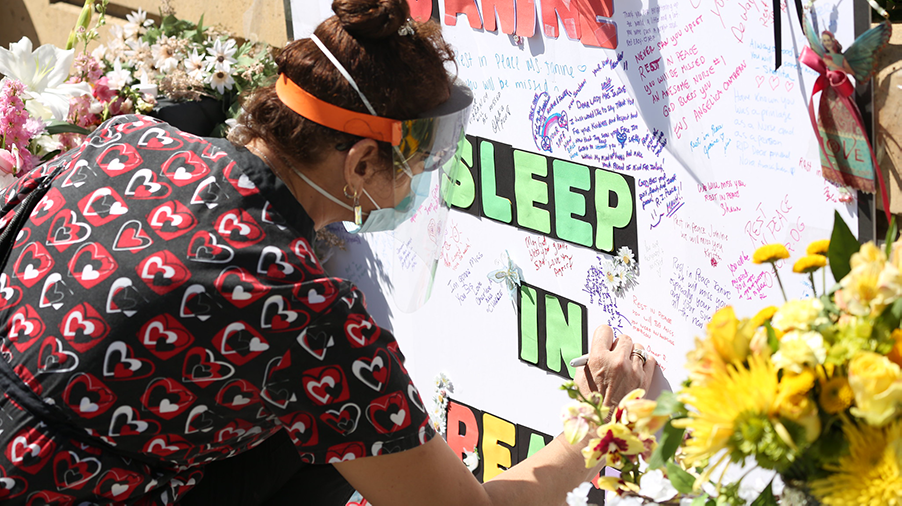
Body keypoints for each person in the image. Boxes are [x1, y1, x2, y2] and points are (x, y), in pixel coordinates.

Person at [0, 0, 655, 503]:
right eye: (422, 158)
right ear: (364, 161)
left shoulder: (126, 141)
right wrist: (593, 432)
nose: (424, 179)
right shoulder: (304, 312)